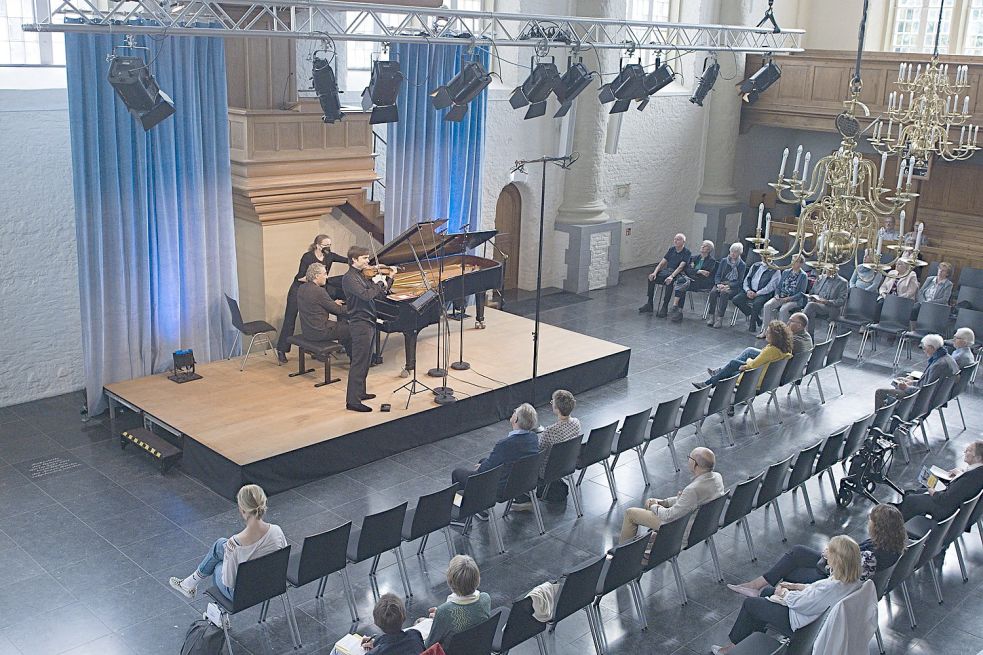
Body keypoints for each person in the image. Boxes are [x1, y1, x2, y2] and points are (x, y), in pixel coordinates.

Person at [711, 535, 863, 654]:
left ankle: (732, 648)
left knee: (750, 604)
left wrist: (784, 593)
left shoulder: (830, 586)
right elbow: (816, 592)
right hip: (808, 614)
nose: (824, 552)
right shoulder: (849, 581)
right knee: (766, 592)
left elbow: (802, 604)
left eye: (828, 550)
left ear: (836, 560)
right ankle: (747, 641)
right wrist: (794, 586)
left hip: (798, 621)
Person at [726, 504, 905, 598]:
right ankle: (758, 585)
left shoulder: (871, 556)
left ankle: (762, 590)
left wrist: (831, 560)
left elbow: (845, 576)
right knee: (797, 552)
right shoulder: (891, 545)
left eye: (871, 521)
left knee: (793, 570)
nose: (868, 523)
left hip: (833, 578)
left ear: (879, 528)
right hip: (840, 566)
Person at [169, 485, 286, 601]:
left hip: (242, 595)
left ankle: (217, 613)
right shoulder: (277, 530)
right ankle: (189, 583)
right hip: (272, 585)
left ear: (242, 510)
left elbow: (228, 582)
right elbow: (283, 561)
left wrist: (227, 559)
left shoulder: (235, 544)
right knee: (220, 544)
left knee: (217, 565)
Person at [618, 447, 724, 544]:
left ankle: (623, 554)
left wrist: (654, 506)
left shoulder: (693, 490)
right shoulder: (716, 477)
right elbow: (691, 502)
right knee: (651, 504)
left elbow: (669, 516)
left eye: (689, 458)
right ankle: (656, 540)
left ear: (695, 464)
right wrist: (664, 502)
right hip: (703, 525)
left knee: (631, 513)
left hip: (682, 529)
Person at [451, 403, 540, 509]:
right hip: (522, 483)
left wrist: (482, 466)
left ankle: (461, 510)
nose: (513, 412)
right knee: (483, 460)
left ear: (516, 419)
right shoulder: (533, 438)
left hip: (502, 489)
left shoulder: (505, 444)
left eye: (515, 411)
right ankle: (481, 507)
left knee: (457, 473)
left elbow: (485, 470)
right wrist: (483, 464)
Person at [276, 234, 347, 363]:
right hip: (299, 289)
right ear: (317, 246)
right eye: (326, 245)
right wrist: (315, 279)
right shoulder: (307, 257)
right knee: (290, 320)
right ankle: (282, 350)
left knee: (321, 316)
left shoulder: (330, 256)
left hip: (314, 289)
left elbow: (346, 260)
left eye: (330, 245)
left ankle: (335, 346)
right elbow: (300, 277)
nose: (328, 247)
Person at [342, 246, 396, 412]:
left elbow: (379, 294)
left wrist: (389, 279)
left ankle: (361, 392)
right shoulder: (350, 278)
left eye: (367, 258)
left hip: (369, 320)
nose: (368, 261)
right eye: (364, 258)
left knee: (366, 360)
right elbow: (366, 295)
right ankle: (353, 401)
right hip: (359, 323)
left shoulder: (362, 275)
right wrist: (379, 281)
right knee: (359, 362)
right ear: (354, 260)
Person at [896, 440, 983, 522]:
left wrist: (932, 491)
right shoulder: (978, 472)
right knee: (915, 492)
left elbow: (944, 499)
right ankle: (897, 512)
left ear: (978, 458)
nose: (965, 452)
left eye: (970, 451)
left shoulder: (969, 479)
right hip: (954, 505)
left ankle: (895, 524)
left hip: (945, 509)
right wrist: (960, 473)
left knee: (910, 499)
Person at [697, 320, 794, 389]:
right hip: (766, 378)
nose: (766, 334)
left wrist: (747, 362)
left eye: (768, 333)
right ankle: (711, 384)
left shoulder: (772, 350)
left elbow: (753, 365)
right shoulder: (783, 349)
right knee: (732, 369)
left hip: (755, 379)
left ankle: (710, 385)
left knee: (732, 368)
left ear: (776, 336)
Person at [422, 555, 492, 649]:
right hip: (478, 648)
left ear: (450, 581)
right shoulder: (485, 598)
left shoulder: (445, 611)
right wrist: (440, 616)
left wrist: (440, 616)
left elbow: (428, 645)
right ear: (477, 578)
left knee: (419, 625)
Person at [874, 333, 959, 409]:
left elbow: (925, 391)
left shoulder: (938, 365)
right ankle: (893, 409)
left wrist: (906, 388)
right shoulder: (947, 358)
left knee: (880, 392)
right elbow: (928, 383)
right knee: (900, 380)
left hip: (923, 401)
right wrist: (912, 382)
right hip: (938, 396)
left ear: (931, 348)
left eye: (925, 348)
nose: (924, 351)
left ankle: (881, 418)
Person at [297, 263, 351, 354]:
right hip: (319, 332)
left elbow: (315, 305)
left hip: (308, 330)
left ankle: (344, 349)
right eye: (325, 274)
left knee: (343, 325)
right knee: (353, 328)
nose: (327, 277)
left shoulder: (302, 288)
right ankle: (356, 360)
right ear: (317, 276)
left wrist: (332, 304)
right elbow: (338, 310)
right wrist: (355, 306)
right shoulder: (319, 291)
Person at [640, 233, 691, 317]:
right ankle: (649, 303)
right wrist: (654, 273)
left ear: (683, 242)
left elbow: (680, 267)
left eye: (678, 239)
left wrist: (671, 276)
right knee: (651, 278)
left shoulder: (687, 252)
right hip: (667, 271)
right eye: (675, 239)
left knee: (669, 282)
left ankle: (665, 306)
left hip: (677, 274)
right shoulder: (671, 250)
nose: (675, 241)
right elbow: (662, 263)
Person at [668, 240, 717, 323]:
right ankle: (677, 309)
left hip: (701, 283)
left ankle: (677, 308)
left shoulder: (711, 261)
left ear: (709, 250)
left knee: (682, 283)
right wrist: (699, 271)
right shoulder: (694, 258)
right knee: (683, 284)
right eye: (702, 245)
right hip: (689, 279)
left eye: (704, 246)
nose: (702, 247)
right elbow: (687, 269)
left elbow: (706, 274)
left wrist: (695, 271)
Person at [759, 255, 808, 337]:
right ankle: (766, 331)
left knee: (783, 309)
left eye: (795, 261)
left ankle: (782, 334)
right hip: (781, 296)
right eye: (792, 260)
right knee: (767, 305)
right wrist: (777, 295)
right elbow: (779, 286)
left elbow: (801, 293)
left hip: (793, 300)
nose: (792, 263)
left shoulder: (803, 276)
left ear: (800, 264)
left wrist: (789, 299)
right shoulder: (786, 272)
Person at [732, 258, 780, 334]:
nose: (764, 258)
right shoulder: (755, 265)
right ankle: (756, 318)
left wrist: (757, 293)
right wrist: (747, 290)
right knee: (736, 299)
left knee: (757, 303)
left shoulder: (775, 270)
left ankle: (752, 324)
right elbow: (747, 279)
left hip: (763, 293)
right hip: (750, 290)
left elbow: (771, 286)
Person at [707, 243, 748, 329]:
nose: (733, 253)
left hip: (732, 286)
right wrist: (718, 284)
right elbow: (717, 274)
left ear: (739, 253)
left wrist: (728, 286)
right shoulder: (724, 261)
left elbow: (739, 281)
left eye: (735, 252)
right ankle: (711, 316)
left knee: (724, 293)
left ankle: (719, 318)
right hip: (721, 283)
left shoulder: (742, 265)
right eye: (732, 251)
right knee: (713, 292)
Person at [801, 264, 848, 338]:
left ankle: (799, 323)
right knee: (811, 312)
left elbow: (841, 301)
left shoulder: (842, 282)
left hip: (831, 308)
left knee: (811, 306)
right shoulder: (821, 278)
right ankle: (809, 337)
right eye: (826, 270)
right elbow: (812, 292)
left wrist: (826, 301)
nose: (827, 272)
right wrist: (812, 297)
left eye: (829, 270)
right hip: (817, 304)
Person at [910, 262, 953, 326]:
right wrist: (923, 302)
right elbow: (921, 292)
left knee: (928, 312)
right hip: (923, 302)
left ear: (947, 274)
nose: (940, 271)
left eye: (943, 271)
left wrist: (930, 303)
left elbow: (944, 299)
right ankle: (913, 329)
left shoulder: (948, 284)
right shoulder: (930, 279)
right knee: (914, 309)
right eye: (939, 269)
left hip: (936, 305)